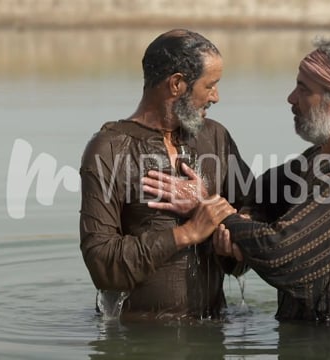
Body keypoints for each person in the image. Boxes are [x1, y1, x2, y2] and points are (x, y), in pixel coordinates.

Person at [149, 39, 330, 323]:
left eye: (304, 90)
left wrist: (206, 207)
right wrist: (244, 220)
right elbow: (261, 192)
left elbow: (281, 252)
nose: (291, 98)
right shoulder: (321, 157)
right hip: (318, 334)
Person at [79, 29, 252, 321]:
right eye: (210, 86)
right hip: (137, 339)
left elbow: (256, 210)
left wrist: (234, 232)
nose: (216, 97)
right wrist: (186, 234)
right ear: (177, 84)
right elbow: (101, 263)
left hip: (214, 329)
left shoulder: (216, 137)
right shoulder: (108, 149)